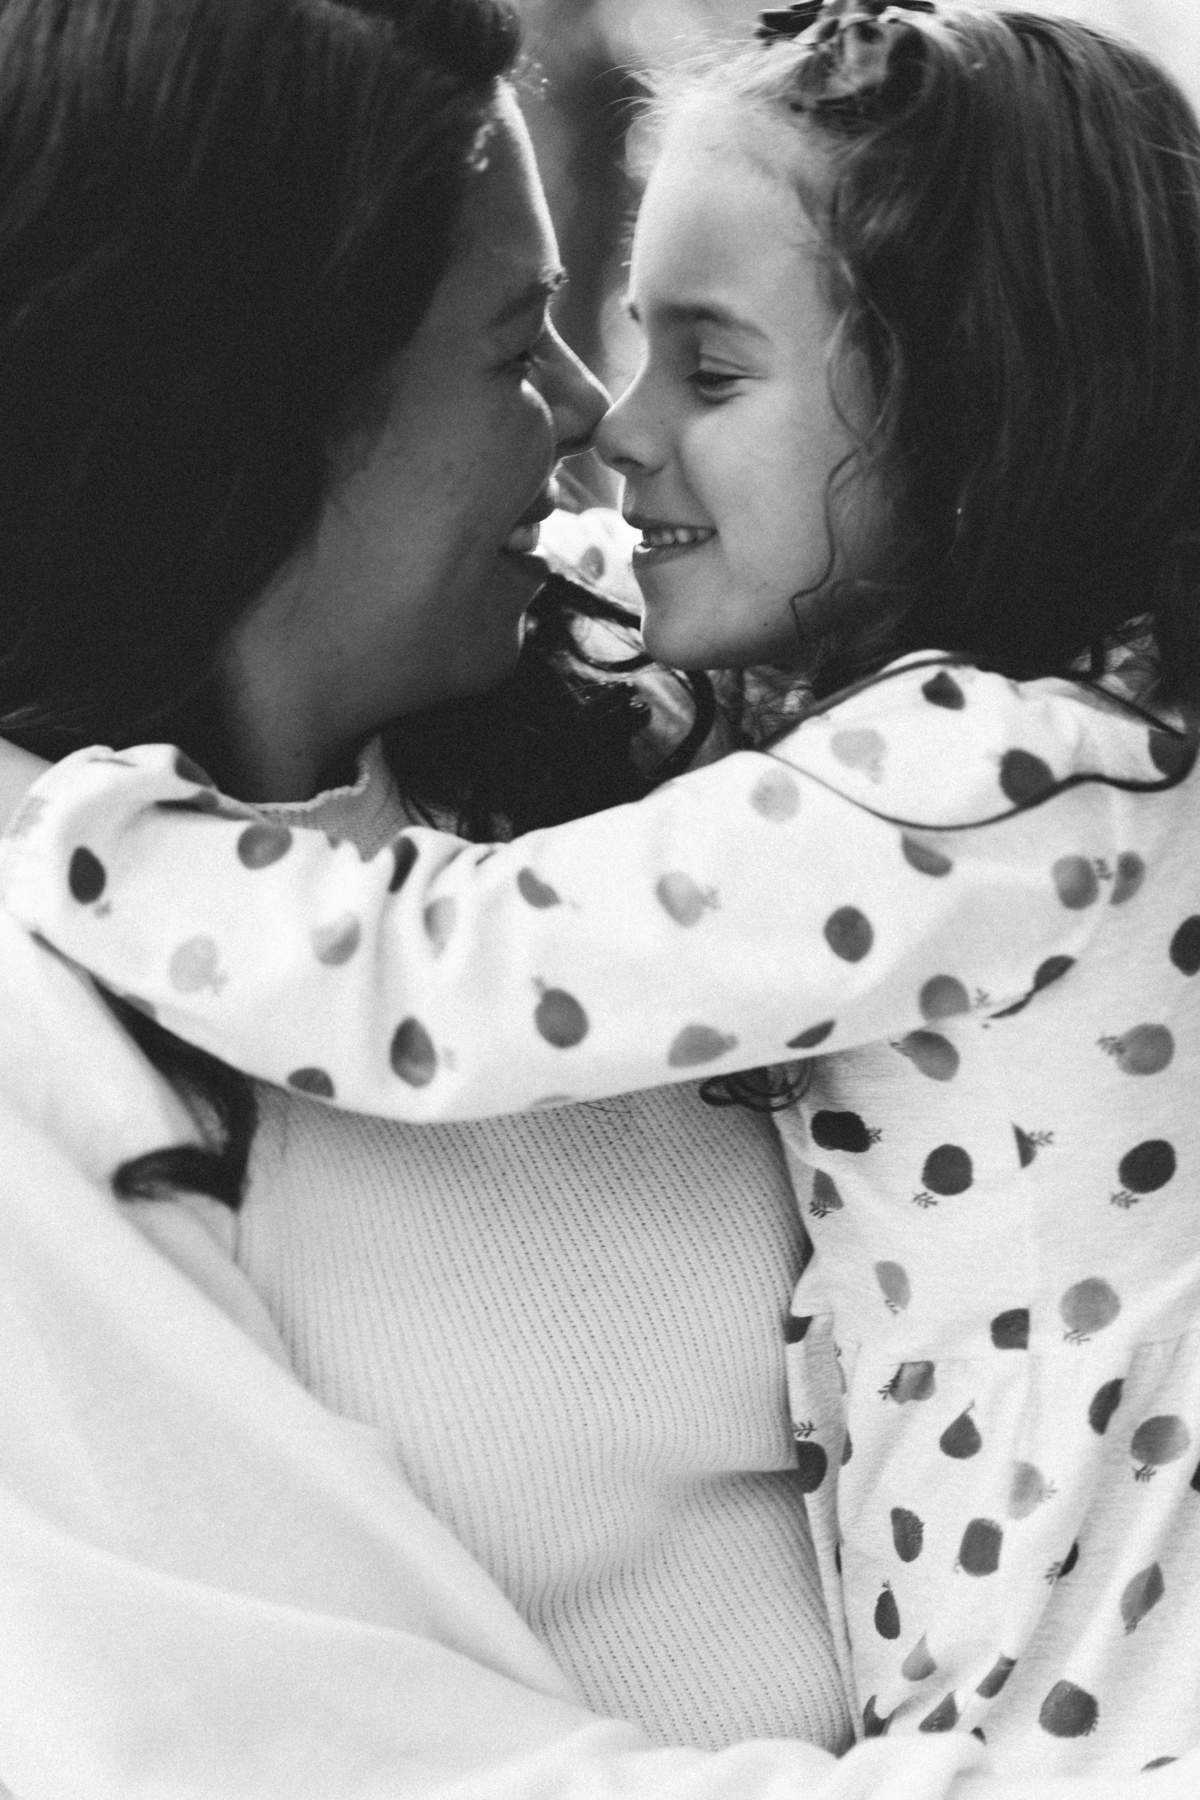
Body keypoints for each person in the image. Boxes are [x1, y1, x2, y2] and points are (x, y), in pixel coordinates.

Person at [13, 0, 1200, 1785]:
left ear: (974, 416)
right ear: (256, 398)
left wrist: (112, 845)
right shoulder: (1010, 762)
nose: (602, 420)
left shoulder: (962, 777)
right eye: (533, 344)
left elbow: (445, 976)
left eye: (704, 372)